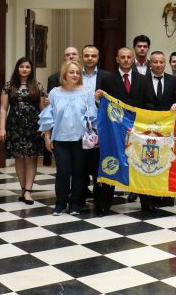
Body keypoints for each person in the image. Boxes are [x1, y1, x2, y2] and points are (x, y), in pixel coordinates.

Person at [96, 47, 154, 214]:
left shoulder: (143, 79)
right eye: (123, 57)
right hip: (115, 131)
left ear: (133, 59)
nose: (126, 60)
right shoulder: (108, 79)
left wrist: (146, 126)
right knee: (111, 162)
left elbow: (149, 104)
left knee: (142, 165)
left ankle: (147, 204)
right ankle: (104, 204)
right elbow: (102, 105)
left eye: (129, 57)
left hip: (138, 130)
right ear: (117, 59)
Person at [39, 60, 97, 215]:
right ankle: (60, 203)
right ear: (64, 74)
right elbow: (48, 116)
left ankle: (75, 204)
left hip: (80, 139)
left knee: (79, 172)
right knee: (63, 172)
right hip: (60, 139)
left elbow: (93, 115)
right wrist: (47, 137)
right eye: (71, 72)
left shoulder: (86, 92)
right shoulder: (54, 93)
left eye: (78, 72)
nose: (75, 75)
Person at [0, 57, 45, 205]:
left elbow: (43, 109)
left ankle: (29, 191)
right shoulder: (9, 86)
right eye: (22, 66)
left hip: (33, 126)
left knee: (31, 158)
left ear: (31, 70)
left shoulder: (37, 86)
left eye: (27, 67)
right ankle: (23, 188)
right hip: (14, 126)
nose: (24, 69)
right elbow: (3, 108)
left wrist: (45, 129)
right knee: (18, 158)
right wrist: (2, 128)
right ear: (17, 68)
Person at [80, 45, 110, 197]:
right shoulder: (74, 75)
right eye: (87, 55)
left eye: (93, 56)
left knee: (98, 162)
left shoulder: (107, 76)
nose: (90, 58)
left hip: (100, 126)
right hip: (79, 125)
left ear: (98, 58)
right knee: (81, 163)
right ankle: (80, 195)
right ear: (82, 57)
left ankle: (100, 197)